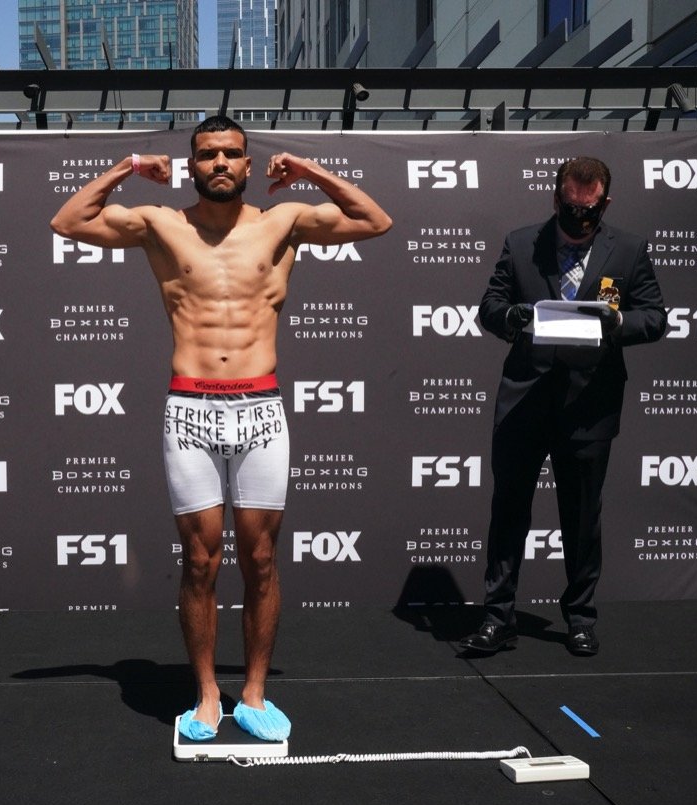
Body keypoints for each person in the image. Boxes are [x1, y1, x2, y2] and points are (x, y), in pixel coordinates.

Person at [50, 116, 391, 740]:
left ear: (247, 162)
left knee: (262, 558)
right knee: (201, 561)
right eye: (208, 155)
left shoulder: (283, 221)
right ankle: (207, 692)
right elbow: (67, 222)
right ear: (192, 162)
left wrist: (309, 170)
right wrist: (127, 167)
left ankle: (255, 693)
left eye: (232, 154)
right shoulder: (160, 223)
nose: (220, 164)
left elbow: (375, 221)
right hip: (190, 409)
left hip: (261, 408)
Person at [460, 156, 666, 658]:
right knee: (509, 512)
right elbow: (489, 306)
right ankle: (497, 617)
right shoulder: (520, 242)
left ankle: (579, 618)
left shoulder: (630, 250)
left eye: (589, 213)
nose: (579, 222)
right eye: (571, 210)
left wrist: (619, 325)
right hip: (525, 399)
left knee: (581, 518)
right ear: (556, 200)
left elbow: (655, 317)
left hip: (590, 405)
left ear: (604, 204)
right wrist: (510, 315)